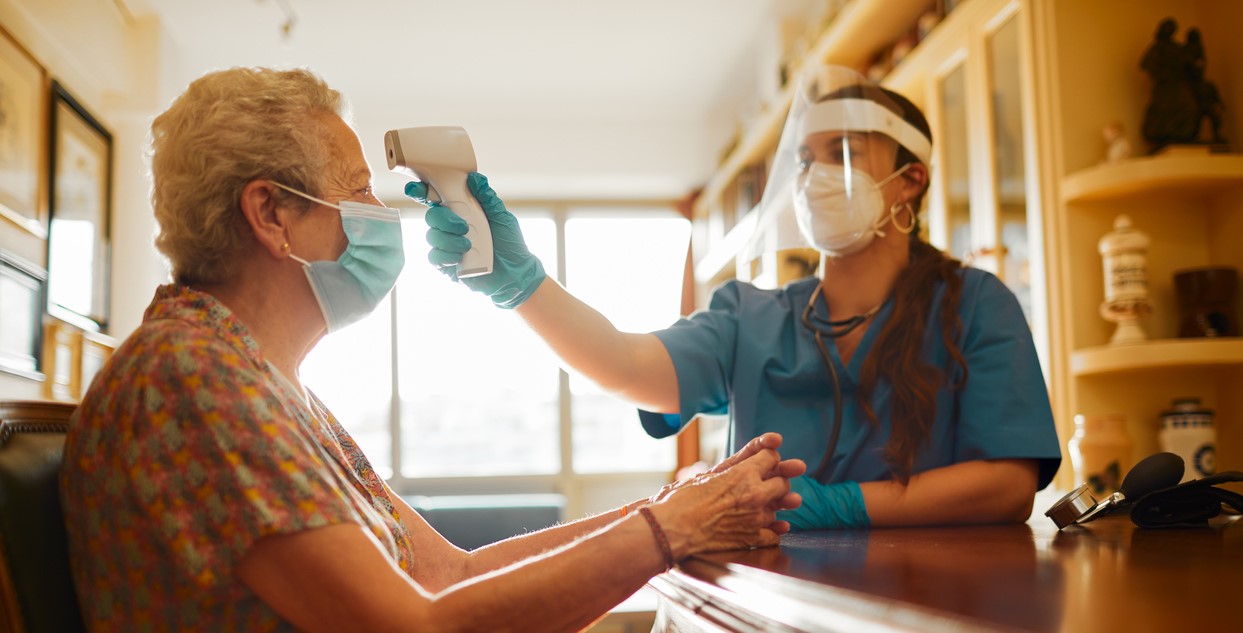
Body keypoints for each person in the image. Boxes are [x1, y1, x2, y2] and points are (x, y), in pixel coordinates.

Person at [58, 66, 805, 632]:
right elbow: (412, 627)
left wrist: (669, 506)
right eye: (357, 192)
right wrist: (668, 531)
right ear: (270, 214)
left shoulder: (263, 381)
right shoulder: (191, 379)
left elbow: (450, 571)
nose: (383, 216)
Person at [416, 64, 1061, 531]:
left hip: (943, 601)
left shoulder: (976, 303)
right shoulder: (751, 317)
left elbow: (1007, 486)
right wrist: (520, 283)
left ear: (908, 180)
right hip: (773, 595)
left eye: (841, 154)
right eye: (804, 160)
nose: (813, 178)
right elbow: (622, 364)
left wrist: (837, 504)